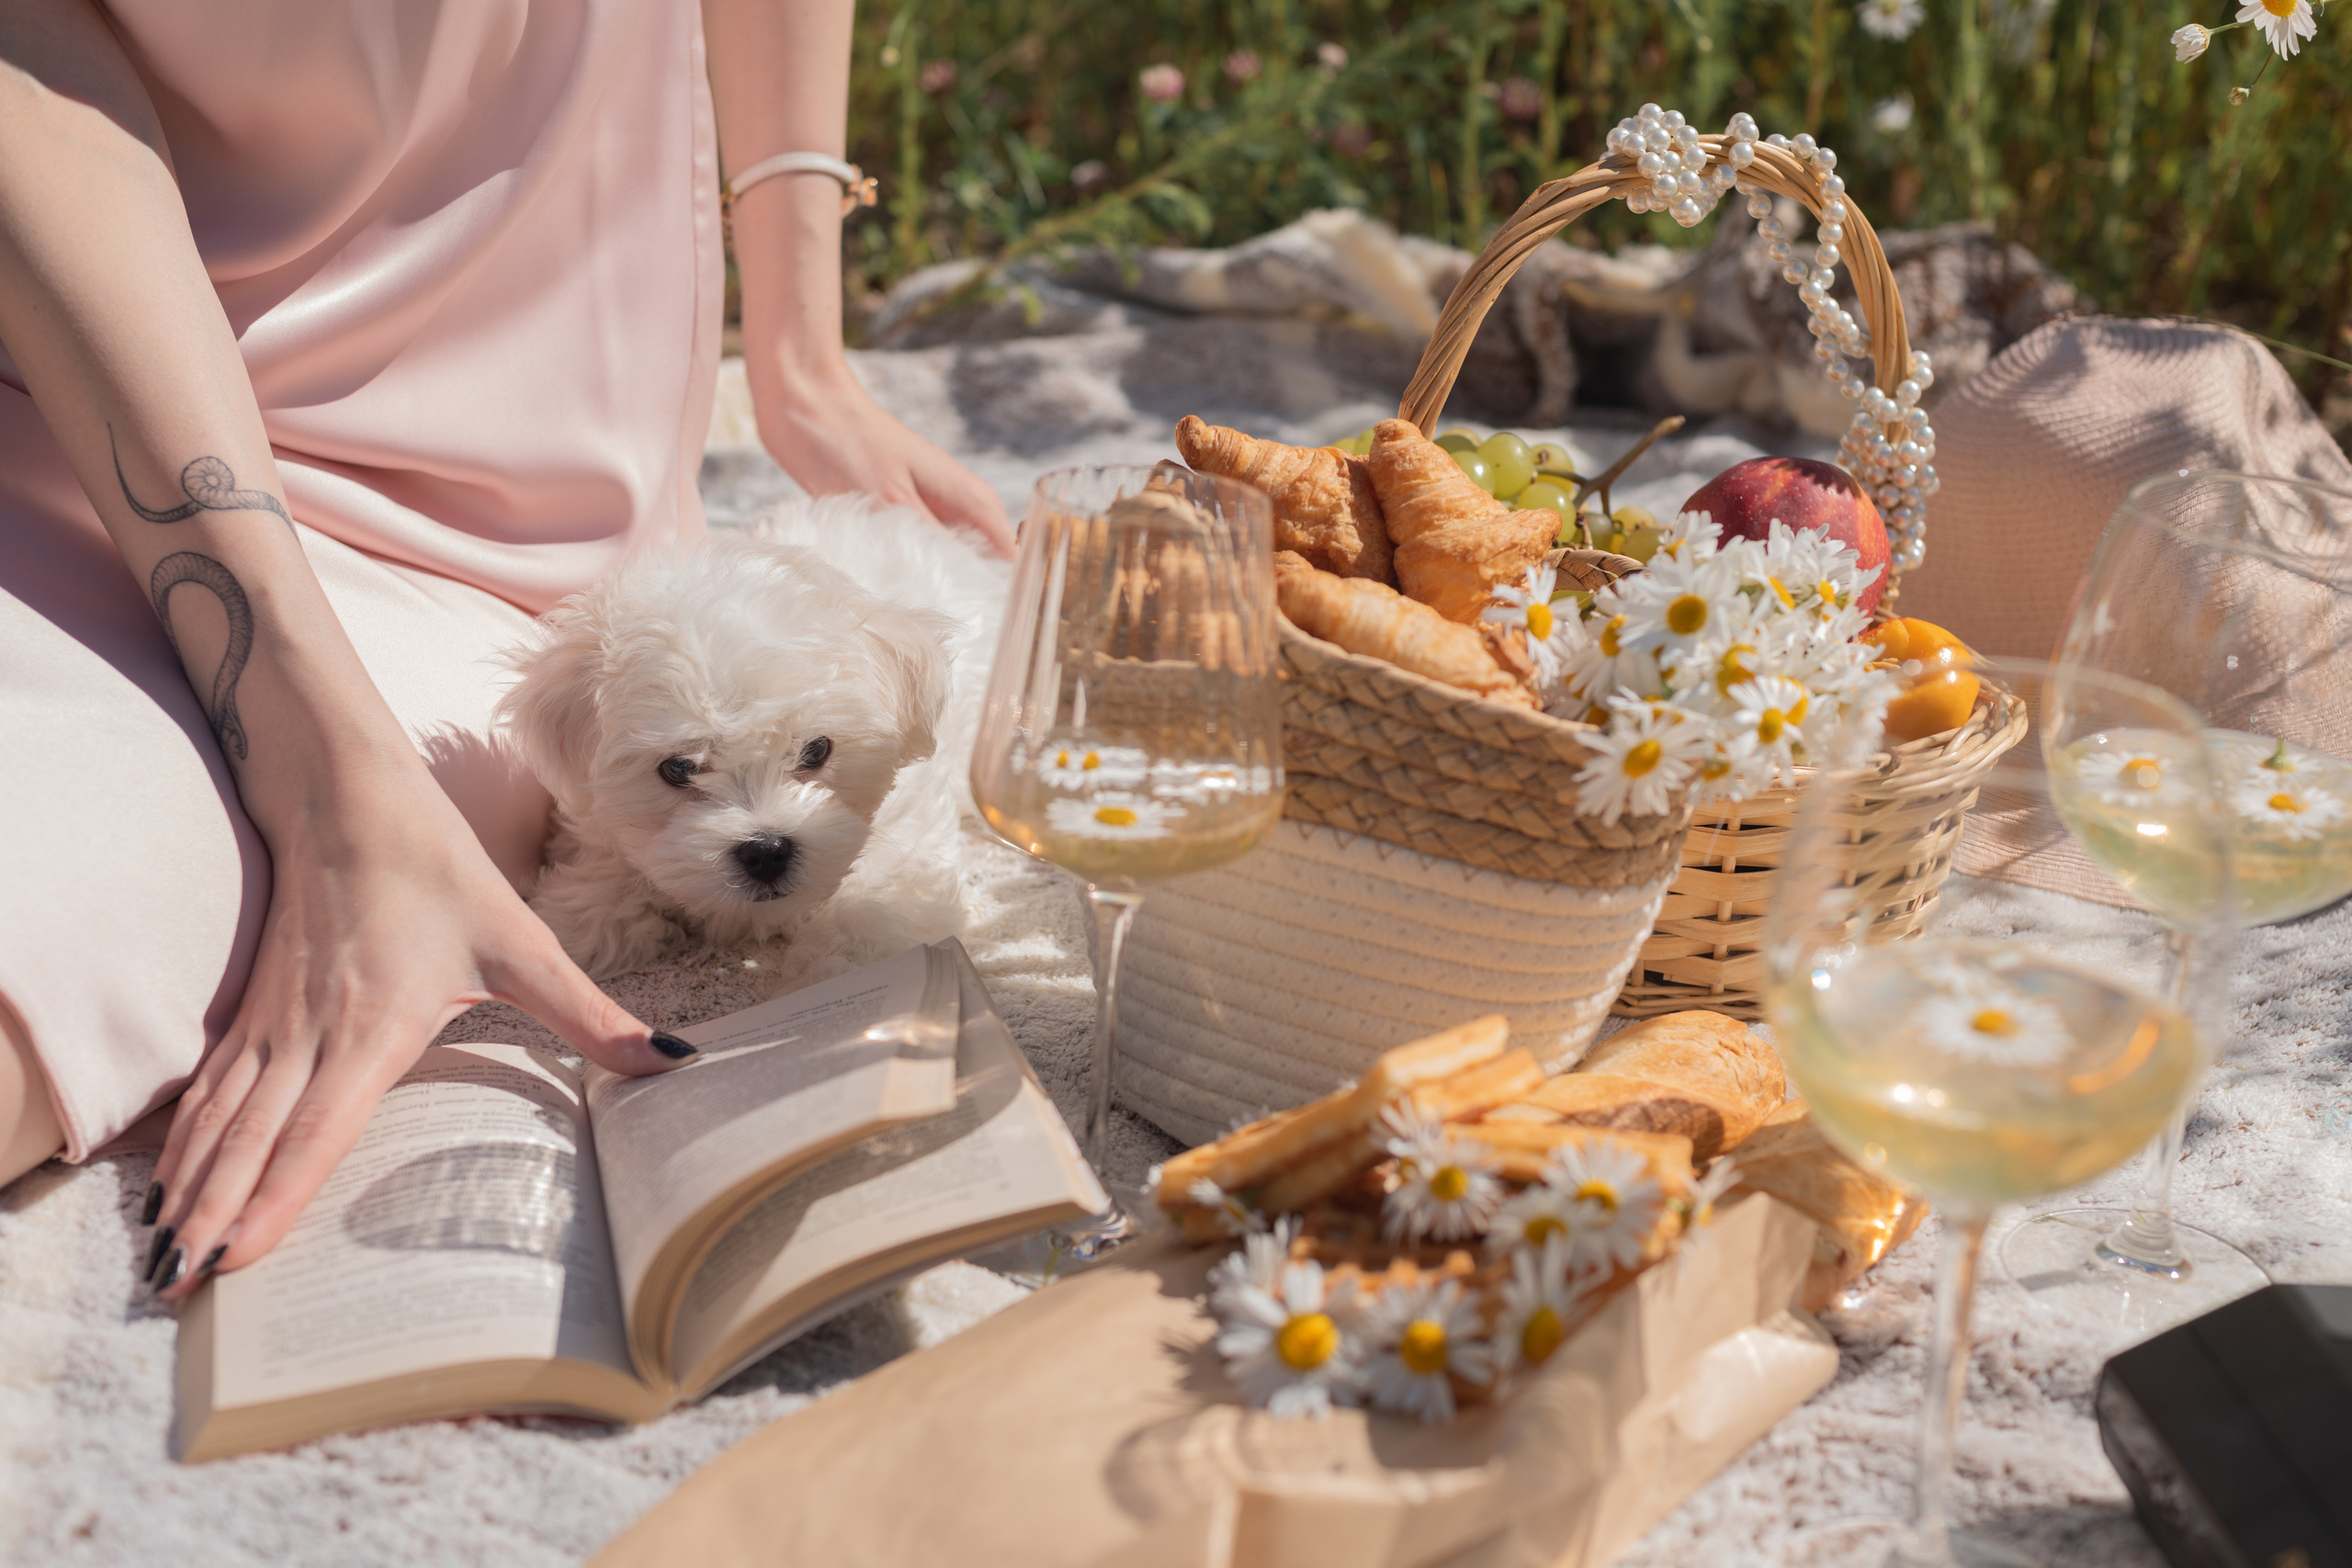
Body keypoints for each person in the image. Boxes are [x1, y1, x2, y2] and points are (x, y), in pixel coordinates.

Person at [0, 0, 1008, 1298]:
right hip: (88, 403)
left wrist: (802, 355)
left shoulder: (558, 665)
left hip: (494, 535)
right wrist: (326, 780)